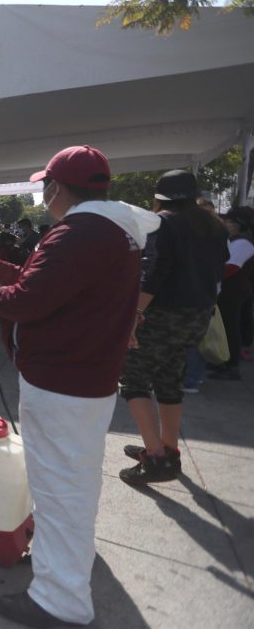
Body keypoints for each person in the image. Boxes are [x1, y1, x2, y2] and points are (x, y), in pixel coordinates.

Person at [0, 145, 161, 628]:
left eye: (45, 185)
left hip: (63, 383)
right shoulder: (111, 230)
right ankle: (67, 564)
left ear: (58, 187)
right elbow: (52, 288)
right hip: (85, 379)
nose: (43, 194)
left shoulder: (77, 233)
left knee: (58, 491)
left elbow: (30, 300)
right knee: (73, 485)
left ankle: (60, 602)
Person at [119, 170, 229, 485]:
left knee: (133, 379)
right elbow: (219, 265)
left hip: (161, 314)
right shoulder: (214, 225)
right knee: (169, 379)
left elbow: (155, 270)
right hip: (198, 315)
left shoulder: (162, 222)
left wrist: (135, 312)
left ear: (159, 197)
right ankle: (169, 450)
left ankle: (155, 459)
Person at [209, 207, 254, 380]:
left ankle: (231, 364)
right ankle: (223, 360)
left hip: (233, 291)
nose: (225, 224)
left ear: (237, 225)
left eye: (228, 222)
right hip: (230, 289)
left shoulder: (243, 243)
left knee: (230, 326)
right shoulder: (236, 240)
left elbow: (231, 267)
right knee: (226, 326)